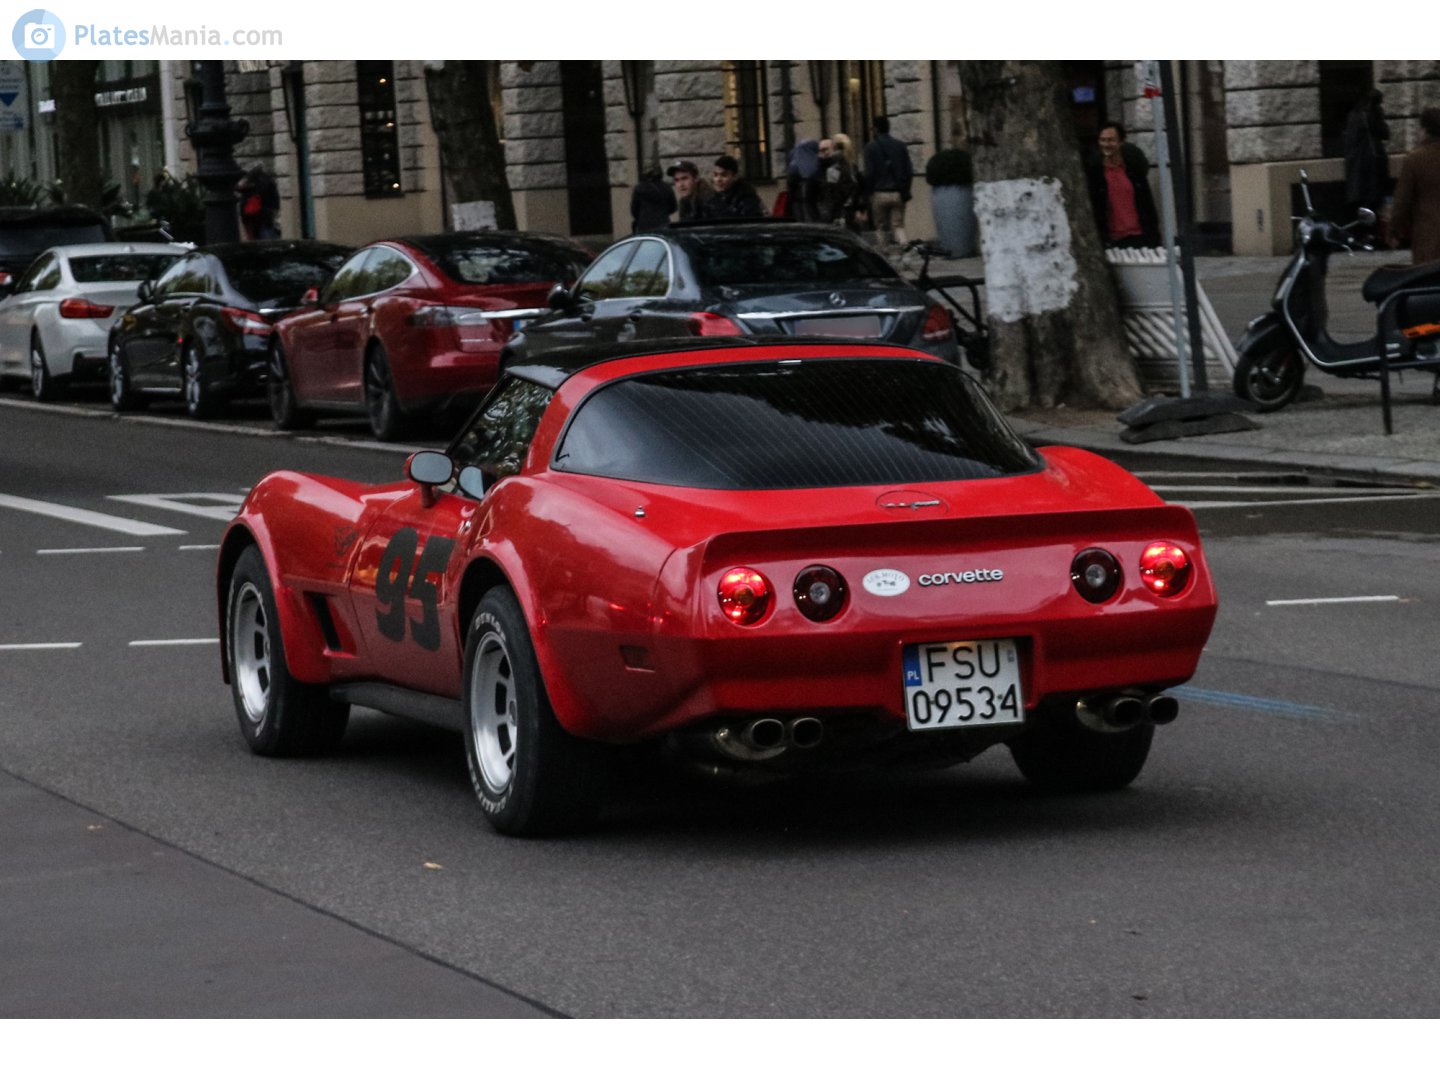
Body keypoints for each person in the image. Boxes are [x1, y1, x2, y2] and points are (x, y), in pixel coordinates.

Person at [1084, 121, 1160, 249]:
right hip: (1111, 241)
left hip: (1140, 238)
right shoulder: (1094, 173)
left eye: (1111, 140)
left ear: (1121, 142)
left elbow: (1148, 205)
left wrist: (1154, 238)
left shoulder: (1133, 171)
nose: (1106, 144)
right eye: (1103, 140)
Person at [1390, 107, 1440, 265]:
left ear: (1424, 130)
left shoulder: (1414, 159)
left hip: (1428, 237)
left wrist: (1393, 230)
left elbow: (1402, 201)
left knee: (1428, 283)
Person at [861, 115, 913, 253]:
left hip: (879, 192)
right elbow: (908, 170)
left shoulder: (870, 148)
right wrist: (905, 190)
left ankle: (885, 254)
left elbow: (869, 172)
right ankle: (904, 247)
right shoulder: (900, 146)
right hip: (897, 192)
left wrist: (868, 192)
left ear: (876, 129)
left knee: (881, 226)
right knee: (898, 225)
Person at [1344, 89, 1390, 222]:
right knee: (1373, 207)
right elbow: (1385, 133)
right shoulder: (1371, 116)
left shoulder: (1353, 116)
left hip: (1356, 171)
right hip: (1372, 170)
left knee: (1360, 208)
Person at [822, 133, 864, 231]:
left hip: (839, 213)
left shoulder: (832, 168)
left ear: (834, 147)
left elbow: (832, 193)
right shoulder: (853, 166)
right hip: (851, 210)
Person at [705, 154, 765, 219]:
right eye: (715, 175)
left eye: (724, 175)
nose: (718, 179)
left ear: (735, 177)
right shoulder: (712, 199)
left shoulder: (747, 198)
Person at [237, 166, 280, 241]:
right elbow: (275, 200)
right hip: (265, 215)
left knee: (254, 237)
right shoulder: (268, 182)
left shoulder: (248, 185)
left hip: (250, 216)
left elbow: (239, 189)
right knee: (267, 234)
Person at [785, 138, 824, 222]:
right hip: (813, 205)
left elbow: (790, 184)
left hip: (798, 203)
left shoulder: (794, 160)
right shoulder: (816, 163)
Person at [630, 164, 676, 232]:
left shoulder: (639, 188)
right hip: (663, 224)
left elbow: (634, 211)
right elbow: (673, 207)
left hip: (644, 226)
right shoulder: (667, 187)